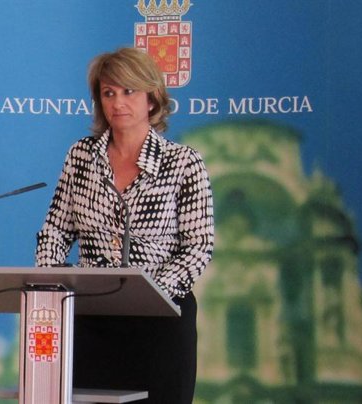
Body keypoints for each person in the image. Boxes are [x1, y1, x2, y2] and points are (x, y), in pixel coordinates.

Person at [35, 47, 215, 403]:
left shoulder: (183, 162)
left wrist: (149, 291)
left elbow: (198, 247)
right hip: (91, 318)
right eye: (108, 93)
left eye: (128, 91)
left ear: (152, 98)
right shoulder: (81, 157)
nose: (118, 102)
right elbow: (55, 229)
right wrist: (52, 284)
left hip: (161, 321)